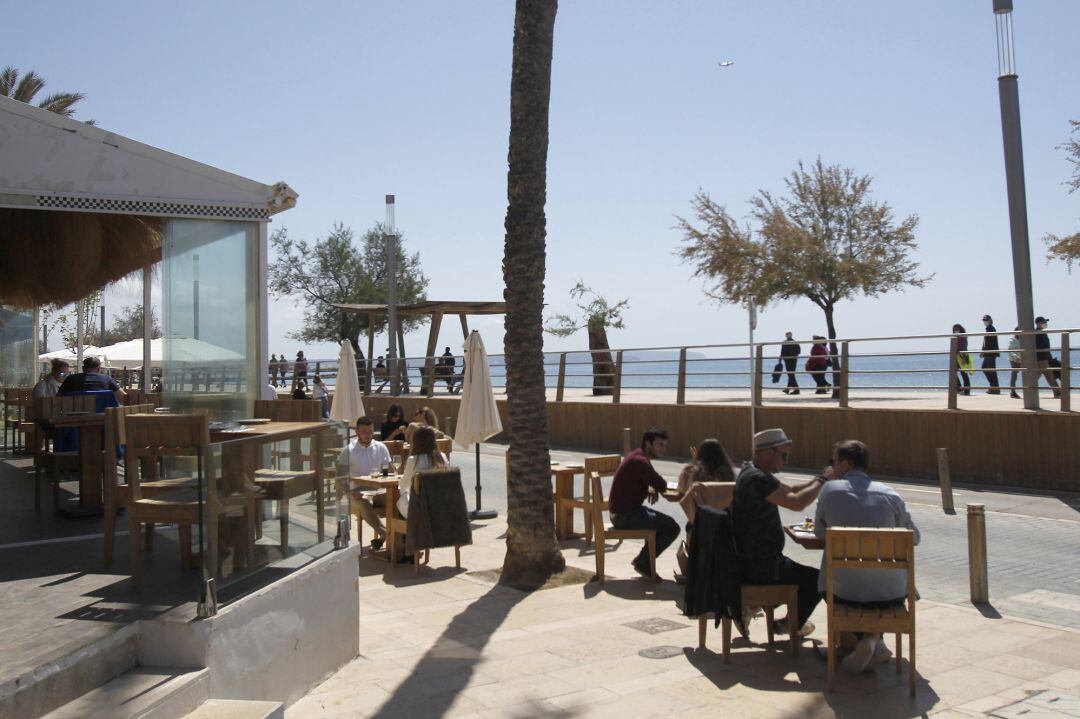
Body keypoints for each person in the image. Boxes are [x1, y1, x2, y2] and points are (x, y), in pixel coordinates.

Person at [814, 439, 920, 674]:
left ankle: (867, 642)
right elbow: (914, 537)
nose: (831, 467)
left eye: (834, 462)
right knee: (870, 584)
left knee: (831, 581)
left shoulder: (830, 490)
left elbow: (820, 533)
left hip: (844, 595)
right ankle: (871, 640)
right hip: (892, 595)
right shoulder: (891, 495)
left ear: (846, 464)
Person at [731, 428, 827, 637]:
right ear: (767, 453)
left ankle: (753, 608)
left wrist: (819, 478)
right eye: (783, 456)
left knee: (807, 576)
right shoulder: (758, 479)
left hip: (753, 562)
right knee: (818, 581)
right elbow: (796, 502)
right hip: (763, 568)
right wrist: (822, 482)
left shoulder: (751, 471)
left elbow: (791, 490)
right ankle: (789, 624)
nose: (786, 461)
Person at [608, 427, 680, 581]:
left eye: (665, 445)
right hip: (624, 516)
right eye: (660, 444)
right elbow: (661, 483)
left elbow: (649, 481)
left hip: (622, 513)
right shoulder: (641, 461)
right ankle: (643, 562)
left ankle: (643, 560)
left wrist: (649, 486)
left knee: (661, 523)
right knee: (672, 527)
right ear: (648, 444)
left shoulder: (637, 456)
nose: (663, 449)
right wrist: (654, 486)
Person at [340, 416, 393, 550]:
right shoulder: (348, 450)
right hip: (356, 491)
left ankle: (399, 536)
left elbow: (391, 471)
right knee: (364, 503)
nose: (367, 434)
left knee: (397, 500)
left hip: (378, 489)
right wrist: (349, 492)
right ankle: (386, 534)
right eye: (364, 431)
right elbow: (340, 478)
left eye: (370, 431)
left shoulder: (381, 447)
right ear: (357, 432)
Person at [396, 425, 449, 518]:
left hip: (420, 509)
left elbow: (403, 486)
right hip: (441, 506)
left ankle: (398, 531)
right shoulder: (442, 457)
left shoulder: (413, 460)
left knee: (397, 499)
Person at [59, 356, 125, 403]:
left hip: (73, 416)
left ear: (83, 368)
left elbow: (58, 397)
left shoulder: (70, 379)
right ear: (99, 369)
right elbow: (123, 395)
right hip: (102, 416)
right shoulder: (107, 379)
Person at [1034, 316, 1061, 398]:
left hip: (1043, 357)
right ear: (1039, 323)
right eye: (1044, 322)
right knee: (1049, 375)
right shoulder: (1038, 333)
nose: (1045, 324)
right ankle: (1057, 392)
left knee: (1038, 375)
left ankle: (1028, 388)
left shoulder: (1040, 332)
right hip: (1042, 358)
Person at [980, 315, 1001, 395]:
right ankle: (994, 387)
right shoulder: (988, 329)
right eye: (984, 320)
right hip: (989, 353)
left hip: (990, 353)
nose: (985, 322)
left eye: (986, 320)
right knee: (986, 369)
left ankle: (995, 388)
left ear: (990, 320)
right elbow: (985, 342)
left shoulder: (991, 329)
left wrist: (984, 351)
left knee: (990, 370)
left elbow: (989, 343)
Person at [952, 324, 972, 396]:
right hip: (956, 357)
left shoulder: (963, 337)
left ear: (960, 329)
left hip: (962, 357)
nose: (955, 331)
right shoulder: (955, 337)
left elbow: (964, 348)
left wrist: (964, 358)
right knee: (953, 373)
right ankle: (959, 388)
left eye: (957, 329)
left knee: (964, 374)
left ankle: (966, 391)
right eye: (954, 330)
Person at [1007, 327, 1022, 399]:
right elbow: (1010, 350)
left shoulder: (1024, 340)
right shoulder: (1012, 340)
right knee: (1014, 375)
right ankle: (1012, 392)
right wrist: (1016, 357)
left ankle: (1030, 388)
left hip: (1023, 359)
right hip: (1015, 360)